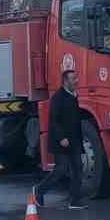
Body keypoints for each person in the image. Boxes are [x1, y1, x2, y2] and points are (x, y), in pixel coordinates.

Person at [34, 70, 85, 209]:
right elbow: (53, 120)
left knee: (78, 168)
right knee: (61, 169)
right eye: (73, 78)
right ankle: (39, 190)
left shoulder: (74, 96)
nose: (76, 81)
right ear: (65, 81)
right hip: (61, 142)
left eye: (76, 77)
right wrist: (61, 137)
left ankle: (75, 200)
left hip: (74, 141)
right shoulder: (58, 97)